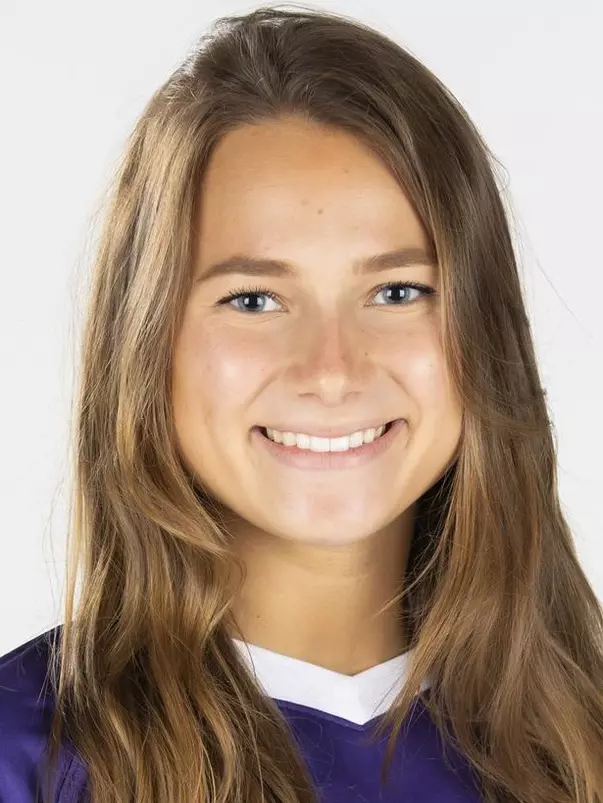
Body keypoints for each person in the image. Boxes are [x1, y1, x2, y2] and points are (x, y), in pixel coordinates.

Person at [1, 4, 602, 802]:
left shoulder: (578, 741)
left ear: (482, 332)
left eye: (396, 290)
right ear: (147, 345)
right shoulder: (26, 758)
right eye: (253, 299)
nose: (331, 370)